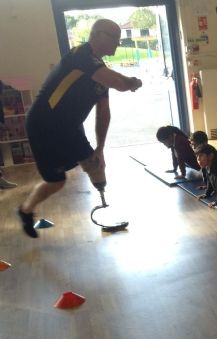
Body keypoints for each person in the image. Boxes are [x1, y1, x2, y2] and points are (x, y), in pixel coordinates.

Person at [17, 19, 142, 238]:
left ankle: (104, 202)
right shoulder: (81, 56)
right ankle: (25, 211)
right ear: (96, 34)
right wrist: (133, 82)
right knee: (56, 181)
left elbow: (103, 112)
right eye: (114, 37)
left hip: (69, 128)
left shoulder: (100, 71)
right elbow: (121, 84)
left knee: (96, 165)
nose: (117, 42)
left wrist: (100, 148)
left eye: (118, 38)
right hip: (44, 125)